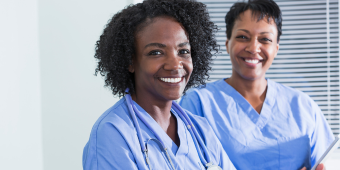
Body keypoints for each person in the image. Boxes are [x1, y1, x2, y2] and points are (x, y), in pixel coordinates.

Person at [179, 0, 335, 170]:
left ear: (276, 48)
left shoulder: (303, 106)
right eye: (242, 37)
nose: (253, 47)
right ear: (227, 44)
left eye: (265, 39)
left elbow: (327, 164)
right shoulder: (197, 103)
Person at [82, 0, 236, 169]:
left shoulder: (200, 130)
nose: (175, 65)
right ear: (130, 61)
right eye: (156, 52)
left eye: (183, 51)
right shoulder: (113, 133)